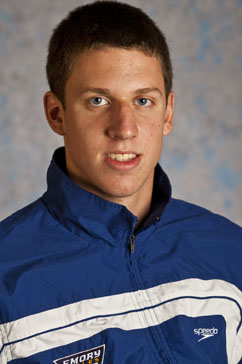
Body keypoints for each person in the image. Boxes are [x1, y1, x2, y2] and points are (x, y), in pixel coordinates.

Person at [0, 1, 242, 363]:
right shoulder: (7, 275)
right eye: (98, 100)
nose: (124, 128)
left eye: (143, 100)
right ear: (56, 114)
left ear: (168, 113)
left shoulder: (229, 250)